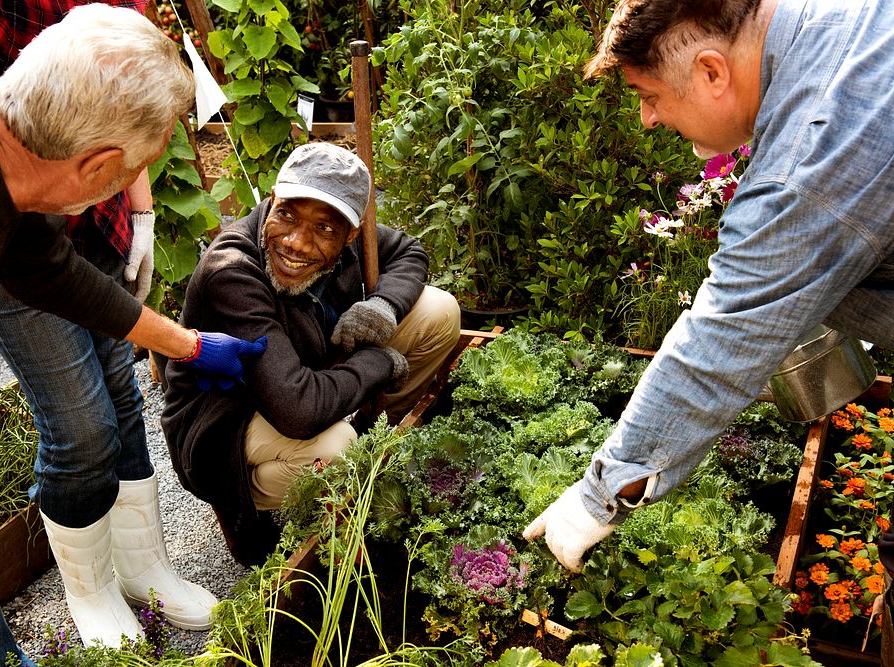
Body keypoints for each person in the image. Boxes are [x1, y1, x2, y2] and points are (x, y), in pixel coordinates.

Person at [0, 5, 267, 664]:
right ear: (98, 168)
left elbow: (53, 273)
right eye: (133, 174)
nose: (130, 192)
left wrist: (189, 344)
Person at [523, 0, 894, 588]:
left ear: (712, 71)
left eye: (649, 96)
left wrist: (598, 495)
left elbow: (720, 344)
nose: (646, 119)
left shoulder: (815, 152)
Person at [161, 143, 461, 566]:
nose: (297, 242)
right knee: (335, 446)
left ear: (351, 234)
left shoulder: (348, 235)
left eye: (324, 229)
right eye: (286, 215)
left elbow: (409, 251)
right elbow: (297, 410)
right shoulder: (231, 273)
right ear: (272, 200)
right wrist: (375, 365)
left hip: (308, 376)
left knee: (439, 310)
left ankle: (371, 438)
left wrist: (383, 306)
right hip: (228, 423)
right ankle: (260, 506)